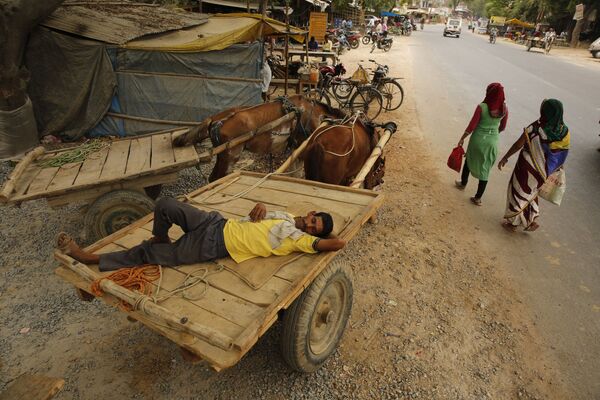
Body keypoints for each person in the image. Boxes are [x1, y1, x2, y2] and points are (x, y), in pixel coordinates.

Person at [59, 197, 346, 271]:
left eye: (313, 229)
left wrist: (334, 237)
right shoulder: (284, 215)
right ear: (311, 213)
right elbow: (256, 215)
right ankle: (161, 234)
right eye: (313, 220)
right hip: (215, 223)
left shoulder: (301, 241)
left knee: (148, 255)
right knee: (165, 206)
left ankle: (90, 258)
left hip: (214, 247)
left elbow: (334, 243)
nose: (309, 226)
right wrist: (260, 206)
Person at [498, 99, 569, 232]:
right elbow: (561, 154)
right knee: (531, 193)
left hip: (526, 167)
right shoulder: (564, 132)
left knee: (518, 191)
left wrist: (505, 157)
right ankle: (531, 220)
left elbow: (518, 145)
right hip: (543, 172)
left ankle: (513, 223)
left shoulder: (535, 128)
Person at [455, 83, 508, 205]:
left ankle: (463, 183)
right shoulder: (504, 109)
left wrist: (462, 138)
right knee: (485, 168)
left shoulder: (482, 107)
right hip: (493, 142)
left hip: (477, 139)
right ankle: (478, 198)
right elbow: (503, 127)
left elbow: (471, 126)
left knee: (469, 159)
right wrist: (493, 134)